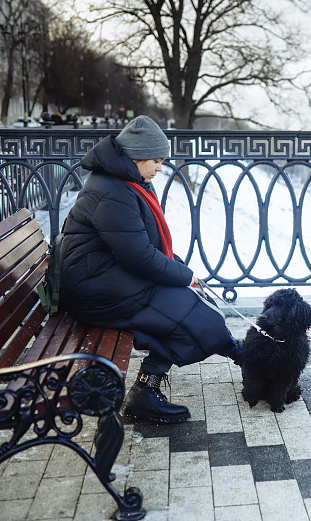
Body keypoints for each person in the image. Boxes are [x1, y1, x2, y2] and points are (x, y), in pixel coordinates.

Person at [58, 115, 242, 423]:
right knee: (187, 311)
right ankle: (244, 357)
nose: (160, 168)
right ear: (136, 156)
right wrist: (185, 275)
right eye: (156, 161)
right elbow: (140, 256)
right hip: (95, 290)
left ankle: (147, 390)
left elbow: (141, 246)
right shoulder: (112, 191)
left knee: (186, 307)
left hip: (106, 279)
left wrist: (178, 269)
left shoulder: (126, 182)